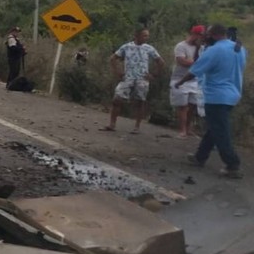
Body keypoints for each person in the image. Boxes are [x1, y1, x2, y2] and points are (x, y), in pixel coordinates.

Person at [176, 24, 246, 178]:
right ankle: (200, 157)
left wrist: (179, 82)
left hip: (217, 95)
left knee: (220, 131)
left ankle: (232, 164)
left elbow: (195, 71)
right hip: (232, 94)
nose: (204, 37)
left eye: (207, 34)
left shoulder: (214, 50)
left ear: (213, 35)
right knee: (214, 128)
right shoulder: (239, 48)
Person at [103, 27, 166, 133]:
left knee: (140, 102)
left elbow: (161, 62)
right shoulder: (127, 47)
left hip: (142, 78)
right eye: (144, 35)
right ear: (137, 36)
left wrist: (154, 75)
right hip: (128, 77)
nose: (146, 38)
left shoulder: (149, 48)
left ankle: (137, 126)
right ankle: (112, 124)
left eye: (147, 35)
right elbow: (113, 58)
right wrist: (117, 72)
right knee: (117, 99)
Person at [169, 25, 206, 138]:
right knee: (182, 106)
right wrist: (195, 62)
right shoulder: (181, 46)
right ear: (195, 35)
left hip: (194, 80)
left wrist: (192, 62)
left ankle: (188, 128)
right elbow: (182, 62)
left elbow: (201, 63)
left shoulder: (201, 48)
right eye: (201, 36)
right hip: (180, 78)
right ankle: (182, 130)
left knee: (193, 105)